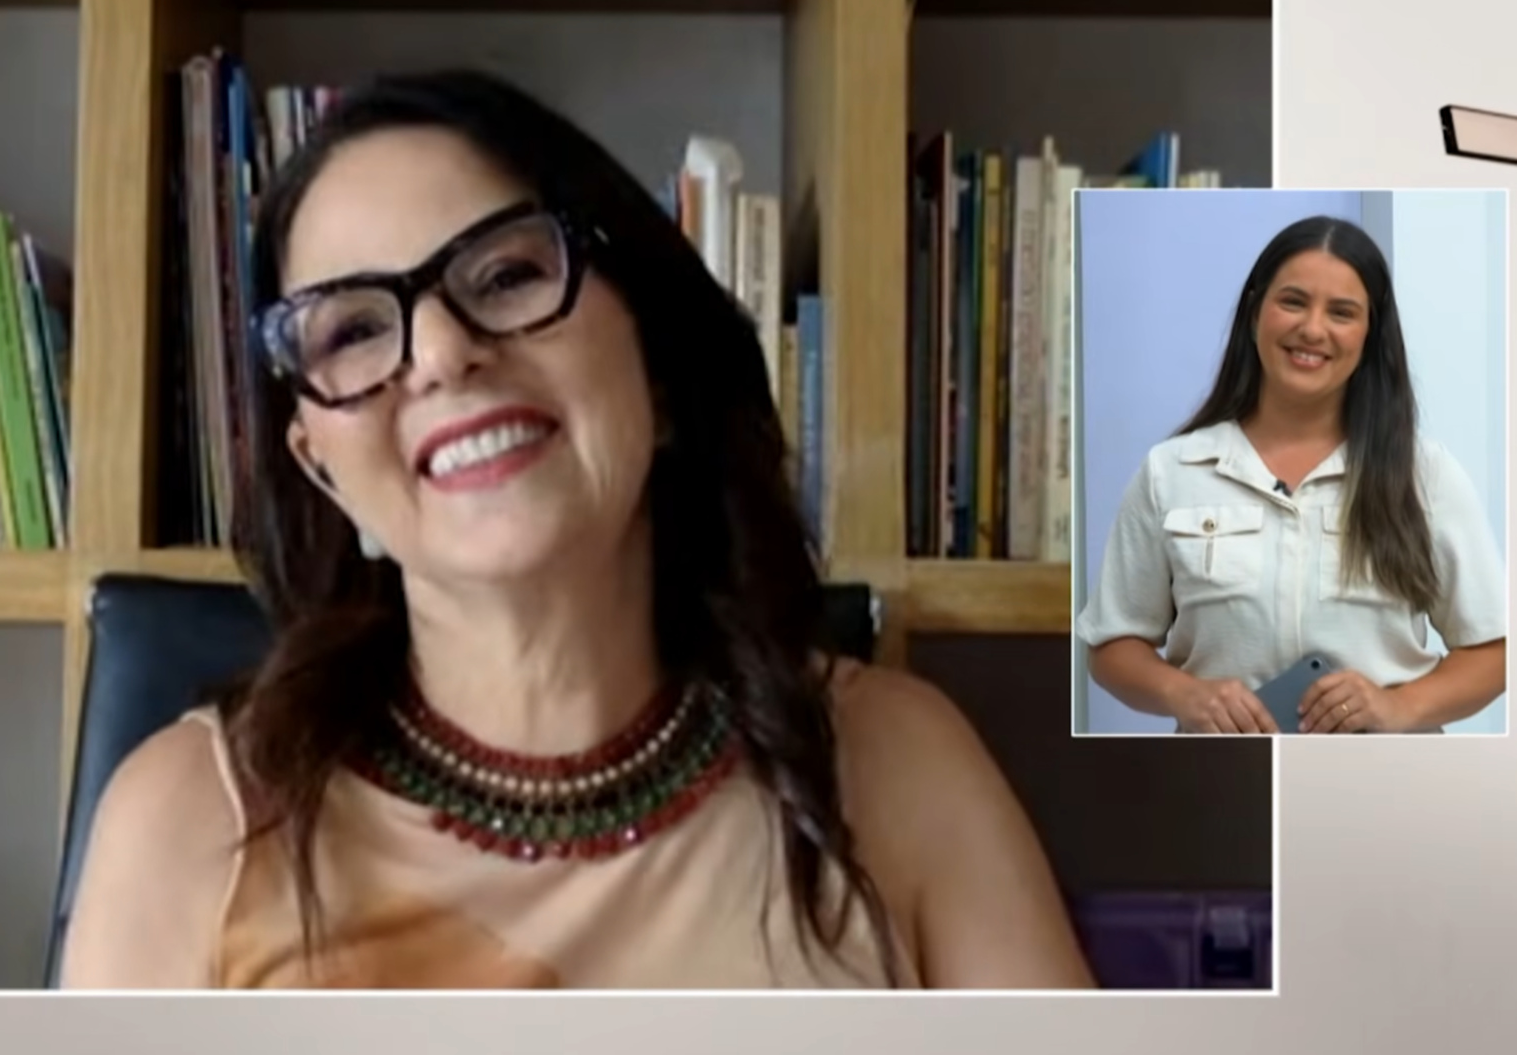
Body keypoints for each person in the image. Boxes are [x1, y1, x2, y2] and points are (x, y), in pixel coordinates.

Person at [62, 71, 1092, 989]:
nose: (440, 353)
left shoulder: (896, 764)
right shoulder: (191, 823)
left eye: (506, 276)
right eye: (355, 329)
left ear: (658, 368)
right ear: (320, 468)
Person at [1078, 215, 1507, 735]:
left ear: (1370, 333)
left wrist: (1400, 707)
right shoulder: (1171, 471)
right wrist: (1185, 694)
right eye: (1293, 302)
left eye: (1342, 312)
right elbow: (1113, 646)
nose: (1312, 329)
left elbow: (1494, 651)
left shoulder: (1425, 474)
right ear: (1255, 309)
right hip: (1225, 774)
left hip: (1387, 775)